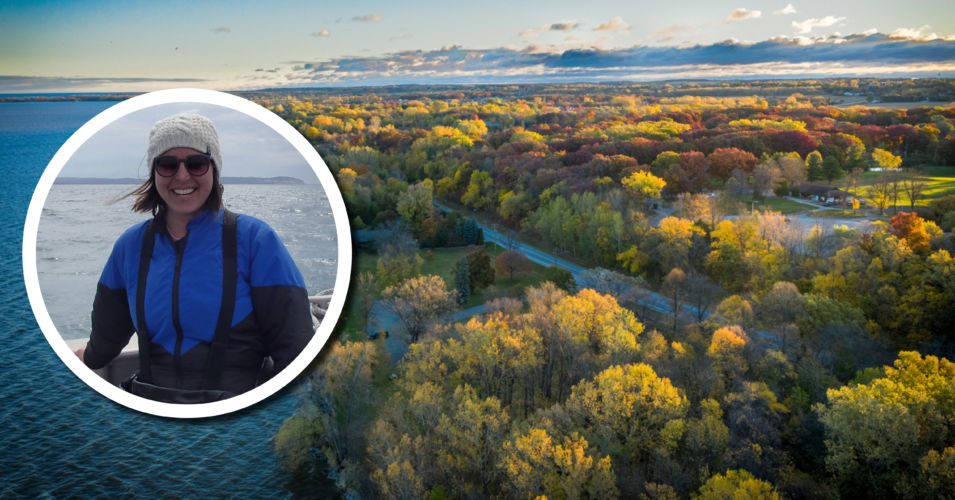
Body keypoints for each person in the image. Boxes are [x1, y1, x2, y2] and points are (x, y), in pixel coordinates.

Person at [74, 112, 314, 404]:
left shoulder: (256, 240)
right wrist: (84, 358)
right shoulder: (130, 247)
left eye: (197, 164)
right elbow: (106, 339)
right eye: (168, 164)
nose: (183, 175)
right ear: (154, 172)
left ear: (213, 170)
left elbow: (296, 349)